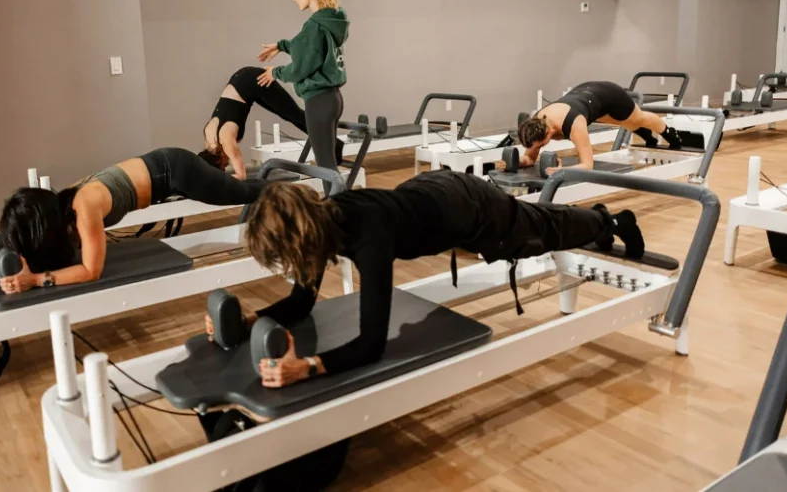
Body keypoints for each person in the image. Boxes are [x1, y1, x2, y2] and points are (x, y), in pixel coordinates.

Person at [206, 169, 646, 388]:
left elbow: (371, 344)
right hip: (433, 195)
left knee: (541, 234)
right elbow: (302, 303)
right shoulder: (326, 221)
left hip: (470, 209)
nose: (288, 266)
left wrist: (309, 368)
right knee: (538, 223)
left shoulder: (368, 240)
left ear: (301, 237)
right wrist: (250, 319)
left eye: (285, 256)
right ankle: (600, 221)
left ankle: (610, 221)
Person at [0, 147, 265, 295]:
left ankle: (296, 190)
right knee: (237, 188)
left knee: (246, 193)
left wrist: (34, 280)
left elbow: (91, 271)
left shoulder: (83, 206)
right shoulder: (64, 203)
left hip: (178, 171)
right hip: (166, 167)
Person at [257, 0, 348, 184]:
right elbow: (308, 48)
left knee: (326, 166)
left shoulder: (314, 26)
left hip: (319, 102)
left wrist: (276, 72)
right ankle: (338, 209)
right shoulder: (331, 21)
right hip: (333, 99)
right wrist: (281, 46)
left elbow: (300, 68)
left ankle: (338, 212)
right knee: (328, 164)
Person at [199, 66, 344, 180]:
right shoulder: (209, 138)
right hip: (242, 80)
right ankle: (328, 138)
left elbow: (240, 176)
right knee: (287, 114)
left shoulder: (226, 141)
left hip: (254, 79)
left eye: (224, 166)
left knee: (293, 114)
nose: (227, 164)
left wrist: (220, 180)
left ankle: (335, 144)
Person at [516, 81, 682, 174]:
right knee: (624, 122)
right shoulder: (536, 122)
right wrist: (517, 162)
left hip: (608, 94)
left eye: (540, 145)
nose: (538, 149)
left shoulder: (574, 123)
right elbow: (529, 158)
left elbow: (587, 165)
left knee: (638, 119)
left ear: (548, 132)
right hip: (585, 96)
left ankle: (670, 133)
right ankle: (646, 135)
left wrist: (562, 171)